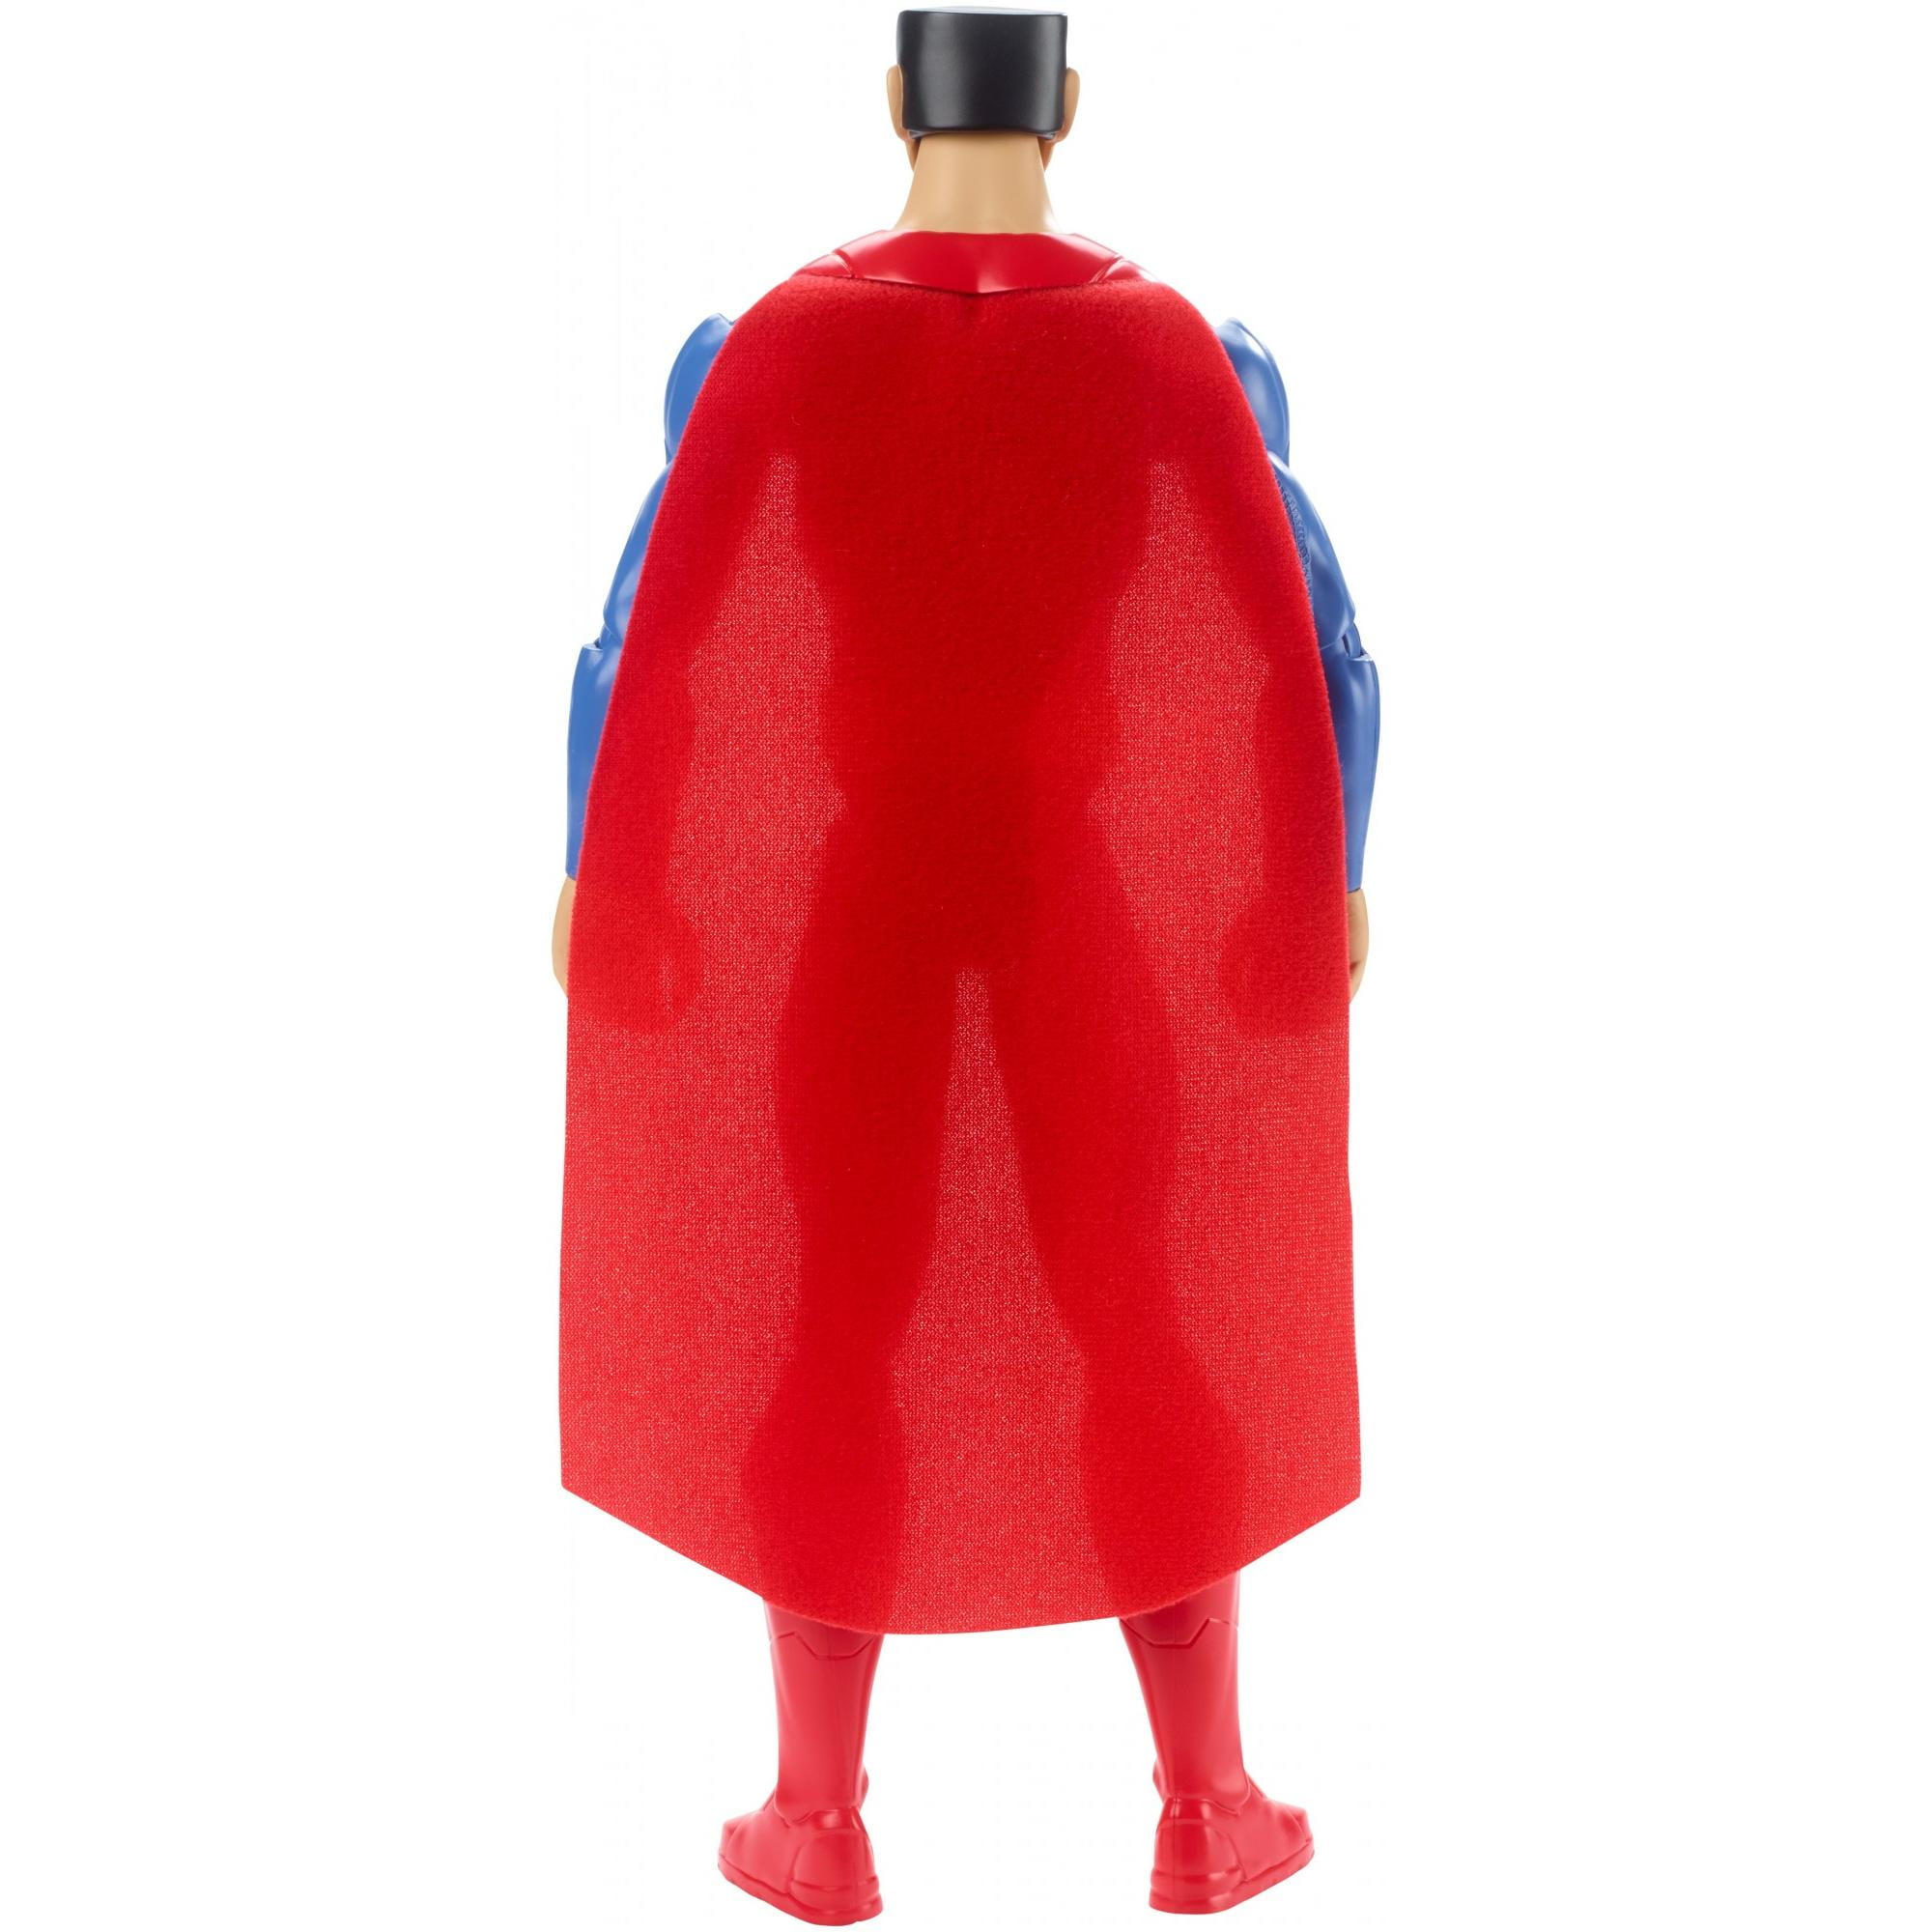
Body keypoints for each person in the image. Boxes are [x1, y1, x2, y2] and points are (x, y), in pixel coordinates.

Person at [553, 11, 1378, 1919]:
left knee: (828, 1320)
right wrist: (1328, 879)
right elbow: (1325, 649)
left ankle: (816, 1817)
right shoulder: (1194, 359)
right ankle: (1206, 1800)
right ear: (1067, 107)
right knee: (1143, 1313)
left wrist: (599, 871)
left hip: (853, 913)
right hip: (1089, 913)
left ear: (893, 104)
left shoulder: (752, 354)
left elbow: (635, 643)